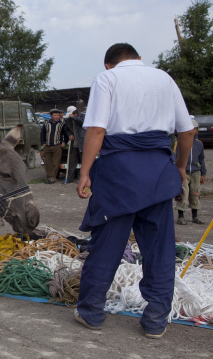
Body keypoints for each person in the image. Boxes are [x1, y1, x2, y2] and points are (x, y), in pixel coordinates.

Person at [74, 43, 194, 339]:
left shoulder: (108, 79)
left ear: (109, 65)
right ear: (139, 59)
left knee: (107, 245)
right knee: (159, 250)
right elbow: (187, 131)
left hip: (119, 175)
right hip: (157, 173)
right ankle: (155, 321)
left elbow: (97, 129)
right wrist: (179, 167)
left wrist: (85, 171)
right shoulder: (164, 78)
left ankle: (91, 312)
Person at [175, 119, 207, 225]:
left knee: (195, 193)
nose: (191, 130)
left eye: (193, 128)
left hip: (195, 172)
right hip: (184, 172)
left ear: (196, 131)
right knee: (183, 193)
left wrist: (203, 173)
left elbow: (202, 159)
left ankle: (195, 216)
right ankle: (181, 216)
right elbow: (175, 157)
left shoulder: (199, 144)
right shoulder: (179, 143)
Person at [40, 109, 73, 183]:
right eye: (55, 115)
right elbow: (42, 133)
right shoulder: (46, 123)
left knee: (56, 163)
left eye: (58, 115)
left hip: (57, 146)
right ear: (51, 116)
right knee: (47, 162)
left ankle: (51, 178)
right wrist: (43, 143)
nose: (56, 117)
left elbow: (66, 133)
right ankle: (51, 177)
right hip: (47, 145)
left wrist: (64, 142)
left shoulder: (62, 124)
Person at [63, 106, 86, 184]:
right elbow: (66, 129)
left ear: (75, 112)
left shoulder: (82, 116)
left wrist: (75, 118)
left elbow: (84, 124)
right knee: (71, 162)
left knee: (84, 163)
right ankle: (69, 179)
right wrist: (69, 134)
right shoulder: (68, 120)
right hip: (73, 144)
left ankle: (82, 179)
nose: (70, 116)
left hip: (82, 144)